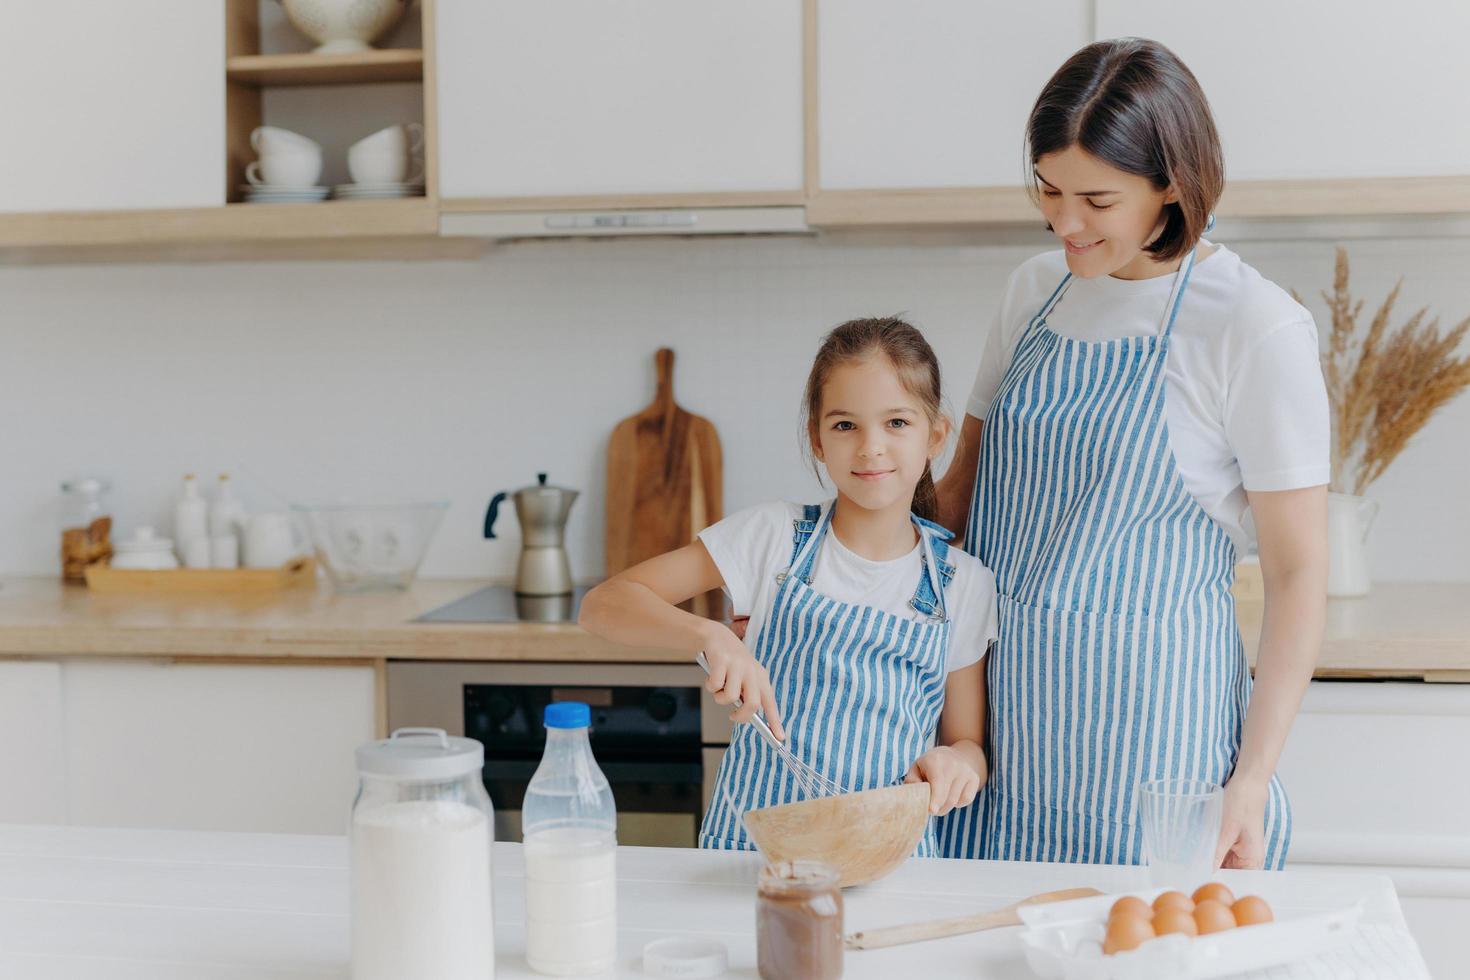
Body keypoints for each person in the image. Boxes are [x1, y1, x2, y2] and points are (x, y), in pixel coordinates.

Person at [932, 37, 1328, 870]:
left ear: (1173, 187)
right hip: (1000, 731)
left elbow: (1299, 577)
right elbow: (956, 500)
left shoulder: (1253, 327)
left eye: (1096, 199)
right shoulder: (1034, 290)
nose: (1063, 222)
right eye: (1047, 189)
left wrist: (1252, 779)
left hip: (1154, 745)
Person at [579, 317, 998, 852]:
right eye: (846, 425)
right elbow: (603, 605)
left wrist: (957, 763)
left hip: (892, 866)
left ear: (935, 435)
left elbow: (969, 743)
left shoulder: (963, 583)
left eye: (896, 422)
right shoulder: (771, 537)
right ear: (817, 440)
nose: (871, 447)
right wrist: (711, 636)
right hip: (751, 863)